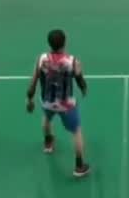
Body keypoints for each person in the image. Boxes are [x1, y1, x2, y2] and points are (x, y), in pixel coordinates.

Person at [25, 29, 91, 178]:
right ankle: (80, 167)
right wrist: (84, 88)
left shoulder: (42, 59)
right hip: (66, 105)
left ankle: (48, 144)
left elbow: (33, 82)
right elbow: (80, 80)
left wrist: (29, 99)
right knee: (76, 132)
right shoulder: (72, 61)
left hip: (47, 102)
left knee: (47, 119)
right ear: (64, 42)